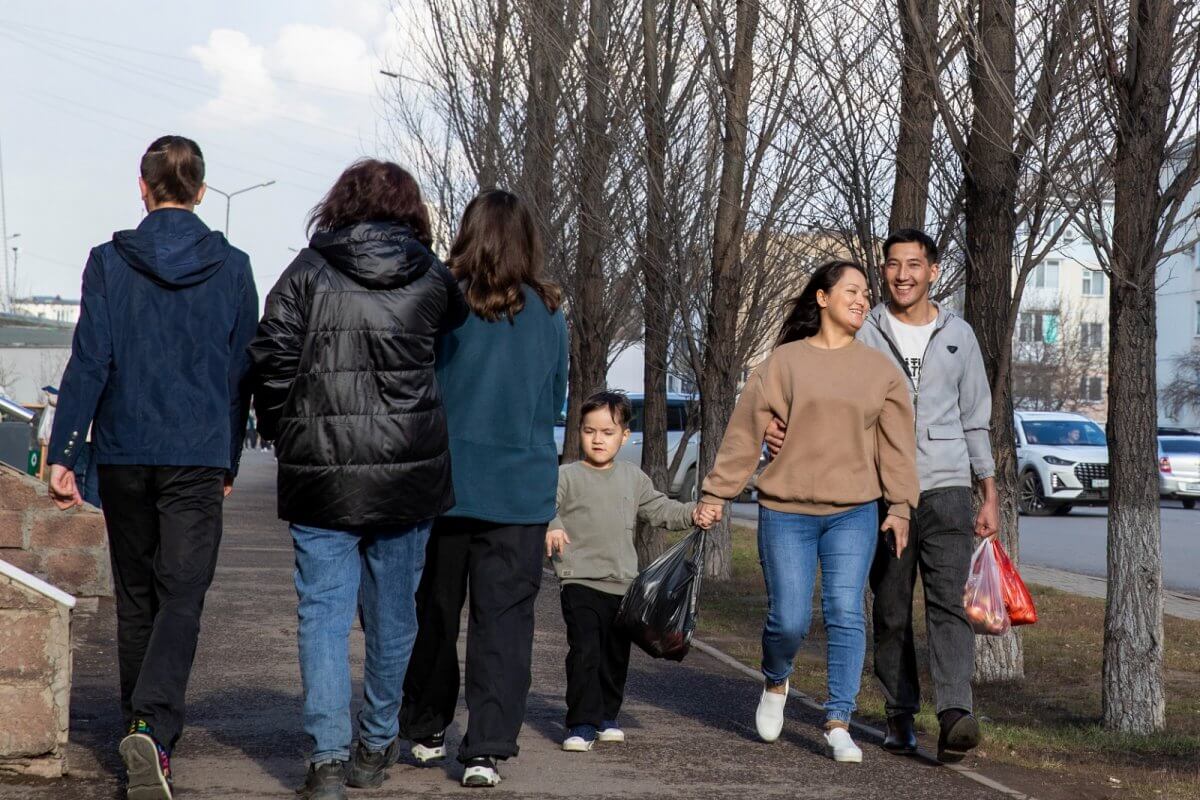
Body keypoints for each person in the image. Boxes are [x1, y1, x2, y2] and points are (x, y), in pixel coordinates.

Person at [46, 135, 258, 800]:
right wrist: (228, 456)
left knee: (138, 597)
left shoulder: (108, 262)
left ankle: (140, 733)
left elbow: (91, 359)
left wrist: (64, 453)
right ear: (201, 191)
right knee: (183, 594)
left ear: (143, 188)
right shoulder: (233, 267)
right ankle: (151, 730)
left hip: (125, 449)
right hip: (196, 451)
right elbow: (239, 373)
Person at [248, 160, 468, 800]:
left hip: (323, 471)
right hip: (408, 471)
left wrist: (287, 430)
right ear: (410, 209)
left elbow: (271, 355)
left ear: (340, 203)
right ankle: (375, 744)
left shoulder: (308, 271)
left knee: (322, 614)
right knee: (394, 616)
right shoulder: (431, 276)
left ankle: (326, 759)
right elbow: (450, 330)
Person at [764, 229, 998, 763]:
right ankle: (899, 713)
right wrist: (780, 426)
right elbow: (815, 380)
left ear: (933, 271)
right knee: (890, 608)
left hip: (946, 486)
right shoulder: (863, 329)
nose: (902, 275)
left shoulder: (959, 334)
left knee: (949, 603)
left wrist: (988, 491)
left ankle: (955, 715)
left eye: (913, 264)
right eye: (892, 264)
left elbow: (975, 418)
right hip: (880, 490)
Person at [696, 260, 920, 764]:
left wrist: (901, 505)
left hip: (853, 512)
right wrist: (717, 493)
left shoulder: (880, 371)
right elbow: (745, 431)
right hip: (786, 511)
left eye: (866, 294)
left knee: (845, 611)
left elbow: (897, 447)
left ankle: (839, 720)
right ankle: (776, 681)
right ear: (822, 298)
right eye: (851, 291)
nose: (861, 300)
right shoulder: (784, 362)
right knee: (789, 619)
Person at [399, 189, 568, 789]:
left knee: (435, 613)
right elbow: (555, 399)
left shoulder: (443, 299)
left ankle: (426, 726)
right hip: (520, 490)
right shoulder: (550, 311)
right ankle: (486, 748)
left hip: (444, 482)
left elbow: (419, 384)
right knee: (505, 623)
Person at [546, 391, 709, 753]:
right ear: (579, 431)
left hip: (623, 586)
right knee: (585, 651)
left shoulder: (632, 478)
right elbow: (545, 507)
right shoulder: (566, 476)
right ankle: (582, 722)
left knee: (615, 656)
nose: (598, 439)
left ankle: (607, 716)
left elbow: (660, 509)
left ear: (623, 436)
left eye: (607, 432)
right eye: (589, 431)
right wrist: (553, 526)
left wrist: (693, 513)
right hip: (578, 580)